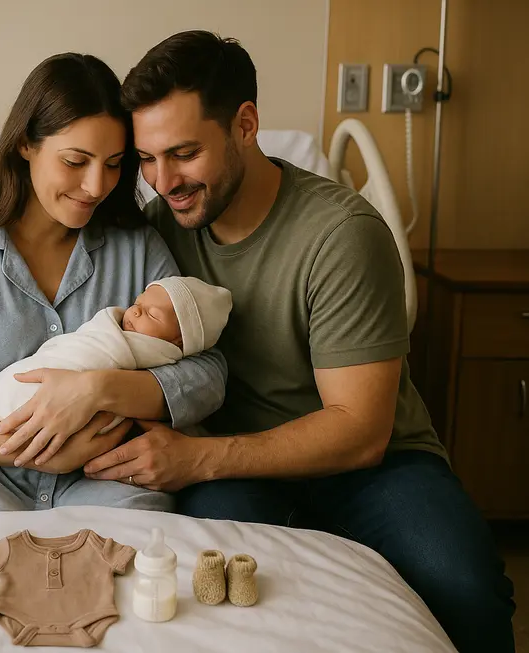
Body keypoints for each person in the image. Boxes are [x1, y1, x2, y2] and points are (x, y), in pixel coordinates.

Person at [80, 30, 515, 652]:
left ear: (246, 124)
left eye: (183, 153)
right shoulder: (159, 230)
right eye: (147, 159)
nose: (164, 180)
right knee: (227, 607)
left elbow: (360, 430)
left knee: (469, 590)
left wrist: (194, 458)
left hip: (375, 465)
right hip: (240, 473)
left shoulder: (340, 235)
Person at [0, 52, 227, 516]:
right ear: (26, 144)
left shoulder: (137, 248)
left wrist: (99, 390)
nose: (95, 185)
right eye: (75, 160)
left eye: (113, 164)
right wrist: (40, 448)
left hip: (99, 475)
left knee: (125, 548)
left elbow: (208, 374)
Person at [0, 275, 232, 466]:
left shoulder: (144, 245)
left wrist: (98, 388)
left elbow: (204, 375)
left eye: (152, 316)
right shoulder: (110, 329)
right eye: (137, 302)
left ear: (179, 342)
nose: (134, 311)